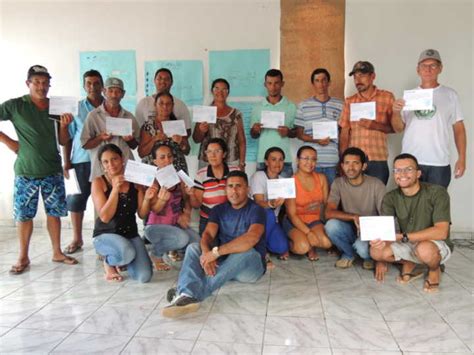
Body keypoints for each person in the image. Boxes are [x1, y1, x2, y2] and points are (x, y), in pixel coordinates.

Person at [0, 65, 78, 274]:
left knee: (55, 213)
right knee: (24, 215)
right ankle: (23, 256)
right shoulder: (16, 106)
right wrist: (10, 143)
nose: (41, 87)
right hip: (26, 171)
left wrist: (63, 126)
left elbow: (63, 140)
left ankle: (57, 252)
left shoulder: (56, 106)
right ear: (28, 84)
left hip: (52, 168)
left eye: (45, 83)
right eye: (37, 82)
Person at [161, 170, 266, 318]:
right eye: (230, 186)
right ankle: (185, 293)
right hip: (225, 264)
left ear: (247, 189)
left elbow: (252, 238)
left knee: (247, 251)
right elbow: (208, 234)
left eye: (238, 186)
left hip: (249, 268)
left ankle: (194, 293)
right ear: (225, 189)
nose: (234, 191)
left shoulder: (256, 210)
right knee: (193, 247)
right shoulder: (219, 209)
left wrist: (215, 253)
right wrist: (205, 253)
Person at [370, 153, 452, 293]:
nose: (402, 174)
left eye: (408, 169)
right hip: (408, 241)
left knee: (424, 249)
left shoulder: (437, 193)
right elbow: (385, 229)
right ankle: (411, 261)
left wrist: (403, 237)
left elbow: (441, 231)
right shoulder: (391, 197)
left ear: (418, 173)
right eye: (397, 170)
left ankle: (434, 269)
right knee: (376, 251)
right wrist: (380, 244)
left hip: (434, 242)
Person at [391, 49, 467, 188]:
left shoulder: (450, 95)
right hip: (410, 161)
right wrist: (395, 112)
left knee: (436, 207)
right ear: (418, 69)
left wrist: (462, 158)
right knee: (411, 206)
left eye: (433, 65)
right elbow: (398, 128)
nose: (428, 69)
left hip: (439, 162)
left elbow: (459, 128)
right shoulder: (409, 96)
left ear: (440, 68)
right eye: (424, 66)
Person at [91, 143, 153, 283]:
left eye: (114, 159)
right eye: (105, 162)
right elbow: (105, 217)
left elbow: (142, 214)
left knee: (144, 276)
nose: (111, 164)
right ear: (101, 165)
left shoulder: (134, 180)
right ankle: (109, 262)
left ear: (122, 159)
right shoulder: (98, 182)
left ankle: (125, 259)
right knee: (127, 252)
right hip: (106, 234)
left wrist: (147, 197)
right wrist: (115, 190)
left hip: (130, 234)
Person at [62, 69, 104, 254]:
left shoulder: (109, 107)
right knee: (76, 200)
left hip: (104, 162)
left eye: (96, 83)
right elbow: (68, 138)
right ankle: (77, 238)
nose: (93, 87)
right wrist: (66, 162)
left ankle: (104, 238)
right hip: (80, 161)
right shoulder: (75, 109)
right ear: (84, 86)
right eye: (89, 83)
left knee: (104, 200)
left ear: (102, 86)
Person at [325, 147, 385, 270]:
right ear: (342, 166)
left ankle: (368, 257)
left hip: (370, 231)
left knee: (362, 250)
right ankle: (349, 254)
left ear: (363, 166)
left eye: (355, 163)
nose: (350, 168)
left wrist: (381, 259)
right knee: (331, 226)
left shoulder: (376, 184)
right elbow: (328, 212)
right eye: (347, 163)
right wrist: (354, 217)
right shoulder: (338, 183)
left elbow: (386, 216)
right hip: (351, 227)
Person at [142, 143, 199, 271]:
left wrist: (186, 213)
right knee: (182, 238)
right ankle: (155, 254)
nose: (167, 160)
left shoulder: (180, 177)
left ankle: (182, 256)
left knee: (196, 241)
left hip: (175, 225)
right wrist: (162, 200)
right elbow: (154, 209)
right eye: (162, 157)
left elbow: (187, 200)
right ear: (155, 161)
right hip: (155, 228)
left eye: (169, 156)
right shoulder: (152, 180)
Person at [339, 61, 395, 185]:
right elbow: (344, 133)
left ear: (373, 76)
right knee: (355, 199)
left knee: (377, 201)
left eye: (362, 75)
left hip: (378, 159)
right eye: (355, 76)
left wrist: (375, 126)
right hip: (354, 161)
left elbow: (395, 128)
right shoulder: (350, 101)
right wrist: (344, 160)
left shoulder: (387, 97)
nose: (358, 80)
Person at [81, 77, 140, 181]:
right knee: (103, 196)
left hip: (126, 169)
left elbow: (135, 145)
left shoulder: (129, 116)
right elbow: (85, 144)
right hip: (102, 170)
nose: (114, 95)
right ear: (104, 92)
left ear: (123, 94)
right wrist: (100, 138)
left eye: (118, 91)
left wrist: (130, 140)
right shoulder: (93, 116)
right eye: (111, 91)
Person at [295, 68, 343, 185]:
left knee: (331, 199)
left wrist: (342, 159)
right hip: (310, 163)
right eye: (317, 81)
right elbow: (299, 134)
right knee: (312, 198)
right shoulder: (303, 106)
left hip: (332, 161)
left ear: (329, 82)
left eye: (324, 80)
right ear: (313, 84)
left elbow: (343, 134)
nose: (321, 84)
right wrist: (316, 140)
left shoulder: (341, 105)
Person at [284, 146, 332, 261]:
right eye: (305, 158)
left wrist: (320, 208)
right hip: (295, 221)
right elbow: (292, 215)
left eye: (313, 159)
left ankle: (310, 243)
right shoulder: (290, 181)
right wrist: (309, 233)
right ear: (297, 160)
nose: (310, 162)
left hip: (314, 219)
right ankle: (287, 244)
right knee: (302, 247)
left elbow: (326, 204)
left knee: (327, 243)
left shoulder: (321, 178)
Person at [186, 138, 239, 234]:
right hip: (208, 220)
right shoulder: (201, 174)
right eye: (209, 151)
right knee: (209, 247)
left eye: (217, 151)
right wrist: (192, 194)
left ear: (224, 154)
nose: (212, 155)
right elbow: (196, 205)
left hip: (231, 219)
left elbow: (242, 197)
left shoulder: (235, 171)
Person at [250, 69, 296, 177]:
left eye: (276, 83)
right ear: (265, 85)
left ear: (282, 84)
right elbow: (253, 135)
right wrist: (255, 130)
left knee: (284, 193)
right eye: (269, 83)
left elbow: (296, 132)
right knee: (262, 192)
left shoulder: (291, 106)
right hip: (263, 159)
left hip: (284, 160)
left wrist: (288, 132)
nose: (273, 87)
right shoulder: (257, 108)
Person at [193, 78, 246, 170]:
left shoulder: (236, 114)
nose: (220, 92)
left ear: (228, 92)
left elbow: (242, 141)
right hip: (208, 161)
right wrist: (201, 131)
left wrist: (242, 163)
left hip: (231, 160)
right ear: (212, 91)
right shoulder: (204, 112)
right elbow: (196, 139)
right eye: (216, 89)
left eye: (224, 89)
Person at [250, 147, 289, 261]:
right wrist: (271, 204)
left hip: (273, 221)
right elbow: (258, 202)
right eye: (273, 159)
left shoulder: (283, 180)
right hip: (255, 219)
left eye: (280, 160)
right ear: (266, 162)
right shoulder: (259, 176)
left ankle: (261, 243)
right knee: (268, 213)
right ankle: (260, 250)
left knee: (282, 247)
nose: (277, 163)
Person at [138, 91, 189, 172]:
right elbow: (141, 153)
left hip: (177, 169)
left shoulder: (177, 125)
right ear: (155, 105)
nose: (165, 106)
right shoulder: (148, 126)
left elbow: (187, 151)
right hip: (154, 172)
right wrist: (154, 139)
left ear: (172, 106)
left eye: (168, 104)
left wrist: (181, 142)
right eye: (161, 103)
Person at [135, 68, 192, 134]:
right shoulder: (143, 103)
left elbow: (187, 130)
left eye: (167, 79)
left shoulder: (180, 105)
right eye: (159, 78)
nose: (163, 81)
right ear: (154, 81)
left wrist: (178, 140)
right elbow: (138, 131)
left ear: (172, 82)